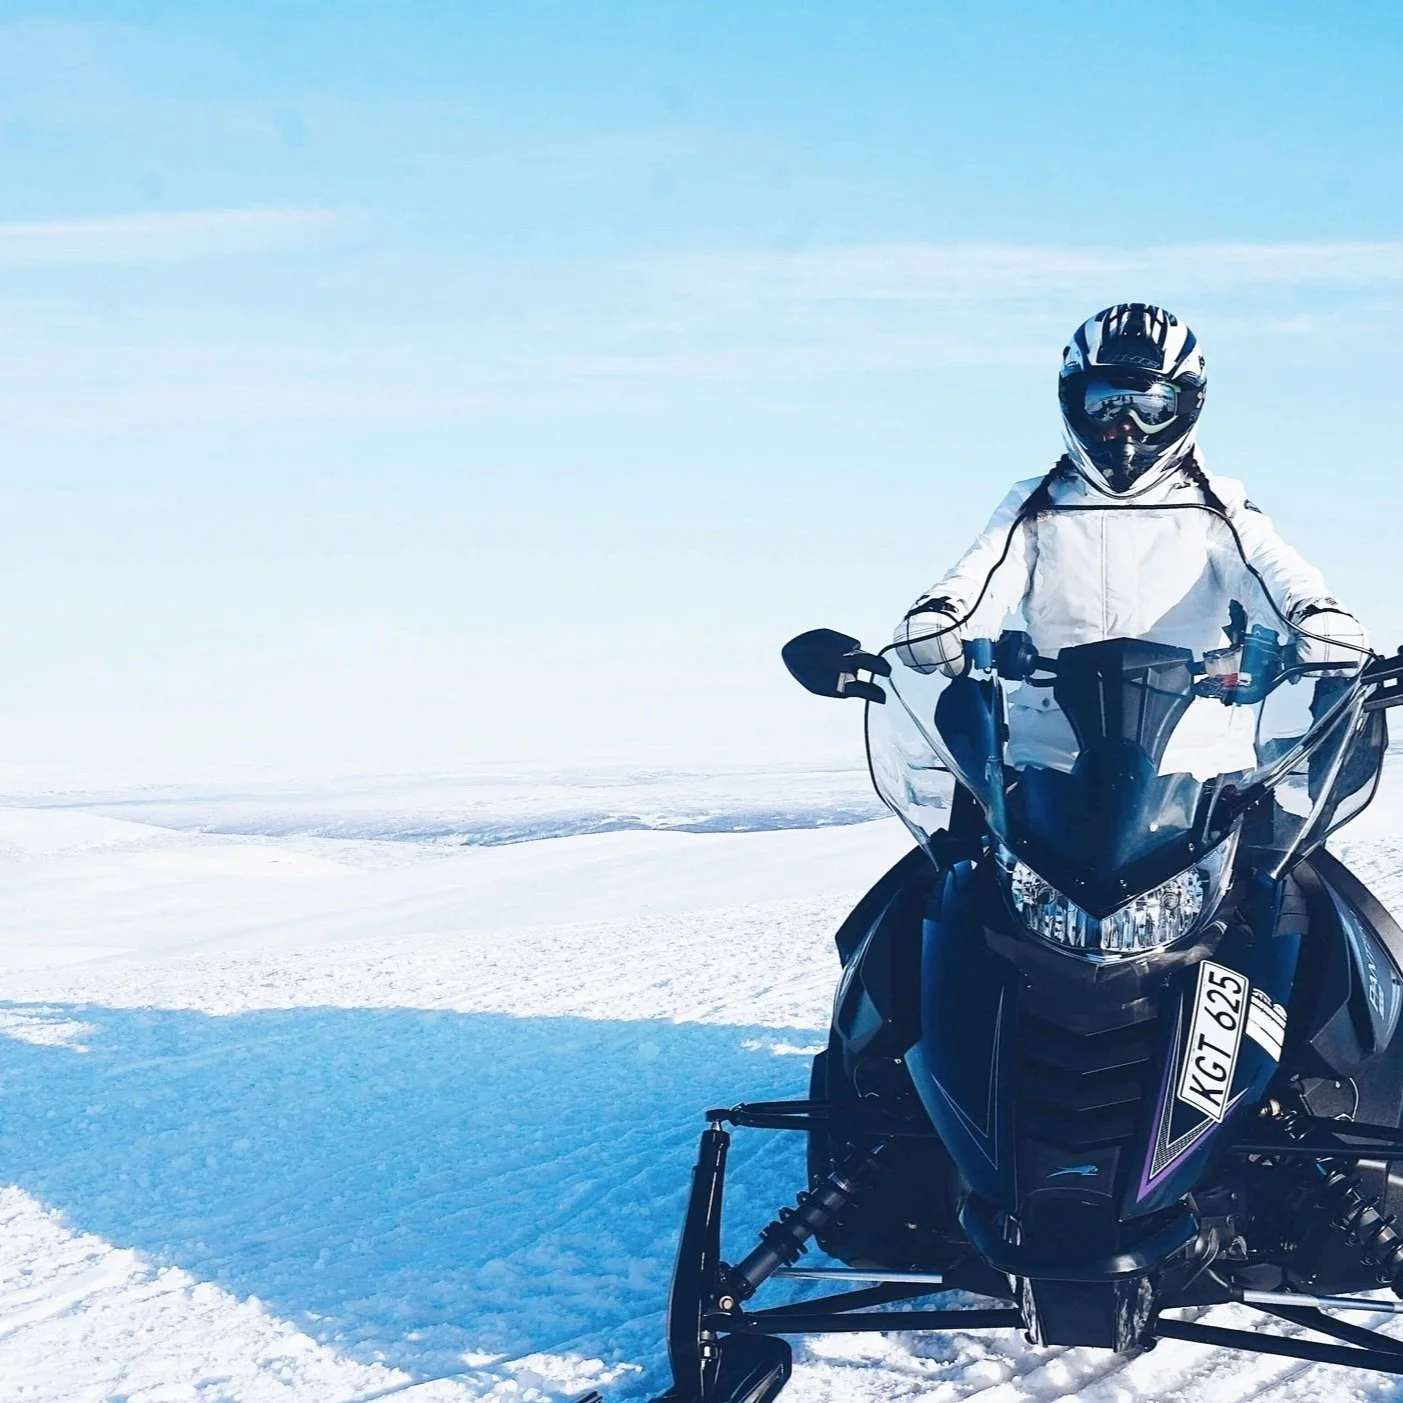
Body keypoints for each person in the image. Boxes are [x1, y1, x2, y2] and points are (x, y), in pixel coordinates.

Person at [894, 304, 1368, 683]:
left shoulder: (1217, 505)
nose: (1127, 428)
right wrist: (939, 620)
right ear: (1073, 403)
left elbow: (1271, 569)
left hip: (1195, 751)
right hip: (1053, 748)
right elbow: (981, 576)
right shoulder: (1036, 504)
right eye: (1106, 405)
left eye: (1150, 407)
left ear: (1186, 406)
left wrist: (1316, 617)